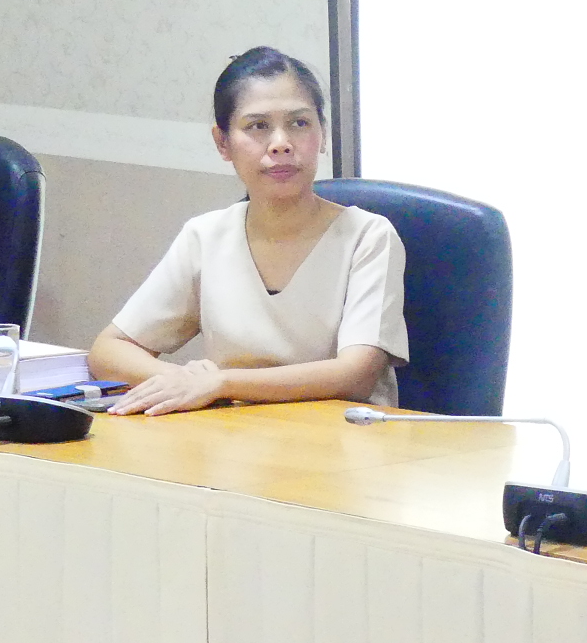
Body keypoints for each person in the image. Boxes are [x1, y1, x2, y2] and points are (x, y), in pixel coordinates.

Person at [89, 47, 408, 415]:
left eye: (299, 123)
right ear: (222, 143)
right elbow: (108, 350)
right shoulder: (206, 236)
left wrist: (222, 383)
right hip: (234, 438)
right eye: (258, 126)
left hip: (345, 439)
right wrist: (180, 381)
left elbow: (356, 374)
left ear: (322, 134)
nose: (281, 143)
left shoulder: (368, 237)